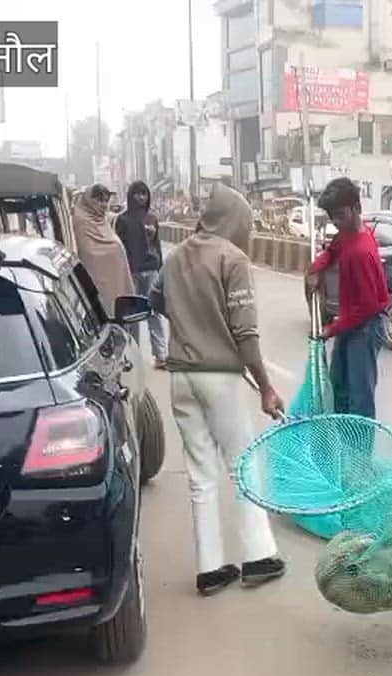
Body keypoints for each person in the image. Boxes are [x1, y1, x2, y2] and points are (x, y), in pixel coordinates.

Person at [148, 182, 286, 597]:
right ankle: (259, 557)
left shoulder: (176, 258)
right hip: (219, 377)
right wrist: (265, 387)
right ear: (234, 221)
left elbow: (154, 301)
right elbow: (245, 333)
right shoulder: (233, 258)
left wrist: (190, 316)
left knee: (200, 475)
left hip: (181, 377)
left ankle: (210, 569)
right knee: (243, 464)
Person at [305, 178, 390, 419]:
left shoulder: (361, 252)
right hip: (351, 324)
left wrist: (331, 329)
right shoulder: (347, 235)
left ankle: (360, 454)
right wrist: (316, 267)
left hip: (366, 326)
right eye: (333, 217)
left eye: (341, 215)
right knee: (339, 388)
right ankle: (344, 446)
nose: (336, 222)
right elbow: (333, 250)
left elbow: (366, 307)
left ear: (356, 208)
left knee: (359, 399)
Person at [115, 180, 169, 369]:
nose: (141, 197)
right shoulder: (122, 220)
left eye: (144, 193)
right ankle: (133, 354)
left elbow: (157, 245)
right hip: (133, 271)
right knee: (133, 315)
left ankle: (161, 355)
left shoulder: (152, 218)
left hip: (151, 269)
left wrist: (160, 268)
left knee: (154, 311)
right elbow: (119, 248)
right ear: (131, 196)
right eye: (137, 193)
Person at [72, 184, 136, 317]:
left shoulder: (104, 221)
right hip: (93, 293)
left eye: (106, 200)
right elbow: (86, 254)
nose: (103, 205)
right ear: (88, 200)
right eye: (99, 200)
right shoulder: (80, 222)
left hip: (116, 289)